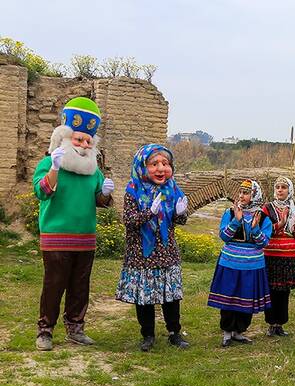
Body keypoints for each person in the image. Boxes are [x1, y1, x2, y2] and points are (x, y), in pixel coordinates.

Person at [32, 97, 115, 351]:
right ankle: (45, 330)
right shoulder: (49, 163)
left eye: (88, 141)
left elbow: (99, 200)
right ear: (66, 139)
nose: (83, 144)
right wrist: (54, 169)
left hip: (85, 237)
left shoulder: (93, 171)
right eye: (78, 139)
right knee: (54, 284)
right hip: (56, 236)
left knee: (80, 286)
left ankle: (76, 327)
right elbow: (42, 192)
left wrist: (106, 193)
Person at [115, 144, 189, 351]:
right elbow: (129, 220)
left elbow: (178, 221)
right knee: (145, 297)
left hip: (166, 253)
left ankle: (175, 333)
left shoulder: (173, 189)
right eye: (154, 164)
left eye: (165, 164)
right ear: (142, 166)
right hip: (141, 254)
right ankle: (147, 335)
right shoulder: (133, 189)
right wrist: (150, 212)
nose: (161, 168)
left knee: (171, 296)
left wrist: (180, 213)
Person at [208, 179, 273, 347]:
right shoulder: (230, 213)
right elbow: (224, 236)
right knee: (228, 298)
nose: (242, 196)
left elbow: (263, 242)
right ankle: (227, 332)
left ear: (254, 195)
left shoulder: (263, 217)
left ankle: (239, 331)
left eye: (246, 193)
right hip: (230, 262)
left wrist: (255, 228)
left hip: (252, 265)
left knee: (246, 298)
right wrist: (236, 220)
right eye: (241, 192)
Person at [261, 177, 295, 336]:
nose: (280, 190)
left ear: (289, 190)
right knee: (271, 289)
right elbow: (262, 230)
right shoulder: (266, 208)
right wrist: (279, 224)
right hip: (271, 253)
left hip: (289, 254)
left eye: (284, 187)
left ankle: (280, 323)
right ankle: (271, 323)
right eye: (277, 187)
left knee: (284, 290)